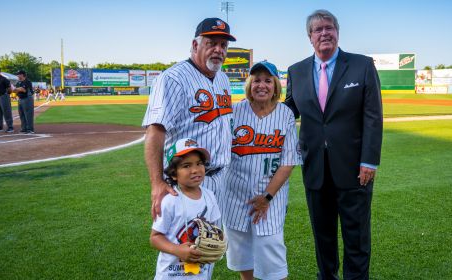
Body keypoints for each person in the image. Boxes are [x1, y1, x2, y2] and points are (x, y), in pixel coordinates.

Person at [284, 10, 383, 279]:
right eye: (318, 30)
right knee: (322, 235)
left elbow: (373, 116)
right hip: (315, 168)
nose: (324, 33)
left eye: (329, 28)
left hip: (354, 169)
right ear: (310, 37)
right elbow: (287, 112)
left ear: (337, 33)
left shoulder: (362, 65)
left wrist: (369, 161)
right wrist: (253, 110)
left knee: (357, 236)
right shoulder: (297, 71)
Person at [142, 17, 236, 220]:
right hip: (186, 181)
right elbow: (155, 131)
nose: (218, 50)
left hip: (219, 179)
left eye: (223, 45)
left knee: (212, 247)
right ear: (195, 45)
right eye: (211, 43)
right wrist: (157, 183)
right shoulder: (172, 79)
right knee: (184, 247)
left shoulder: (223, 79)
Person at [222, 61, 301, 280]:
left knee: (272, 254)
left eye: (268, 80)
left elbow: (289, 161)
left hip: (271, 197)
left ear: (276, 85)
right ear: (249, 84)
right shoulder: (235, 111)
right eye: (256, 80)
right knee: (241, 254)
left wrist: (267, 197)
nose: (262, 85)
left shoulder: (285, 114)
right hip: (234, 195)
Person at [150, 138, 221, 279]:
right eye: (186, 166)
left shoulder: (210, 196)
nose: (195, 170)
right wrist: (177, 250)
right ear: (173, 174)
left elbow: (213, 229)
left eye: (199, 163)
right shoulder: (170, 201)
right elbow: (155, 238)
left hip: (200, 272)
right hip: (171, 274)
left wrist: (215, 243)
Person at [0, 67, 14, 133]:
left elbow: (9, 88)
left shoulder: (4, 79)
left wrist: (7, 94)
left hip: (3, 96)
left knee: (7, 112)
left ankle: (10, 127)